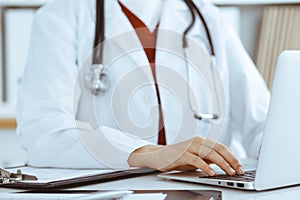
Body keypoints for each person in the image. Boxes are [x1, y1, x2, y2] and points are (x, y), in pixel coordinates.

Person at [17, 0, 269, 176]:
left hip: (205, 188)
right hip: (113, 191)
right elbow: (44, 132)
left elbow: (264, 124)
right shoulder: (61, 16)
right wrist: (146, 153)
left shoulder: (208, 18)